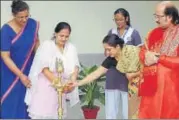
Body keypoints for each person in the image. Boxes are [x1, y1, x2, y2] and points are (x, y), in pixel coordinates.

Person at [69, 34, 141, 119]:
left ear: (117, 46)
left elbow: (146, 68)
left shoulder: (132, 53)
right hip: (117, 86)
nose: (106, 52)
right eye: (105, 49)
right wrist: (78, 83)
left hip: (134, 88)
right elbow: (96, 74)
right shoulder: (110, 59)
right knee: (113, 114)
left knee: (129, 114)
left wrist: (133, 74)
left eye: (109, 49)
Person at [24, 22, 80, 119]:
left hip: (60, 86)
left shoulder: (71, 48)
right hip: (46, 85)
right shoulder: (47, 46)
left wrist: (72, 82)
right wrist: (59, 84)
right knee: (44, 114)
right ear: (55, 34)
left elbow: (75, 67)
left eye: (66, 36)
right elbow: (44, 69)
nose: (64, 39)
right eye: (61, 36)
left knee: (58, 114)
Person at [139, 1, 179, 118]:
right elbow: (143, 51)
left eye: (159, 16)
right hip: (150, 88)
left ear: (170, 17)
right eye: (155, 16)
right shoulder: (153, 32)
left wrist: (159, 58)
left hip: (171, 91)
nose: (156, 20)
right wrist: (145, 56)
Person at [0, 0, 40, 118]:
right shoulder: (6, 30)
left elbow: (36, 43)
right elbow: (5, 56)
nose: (24, 20)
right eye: (20, 17)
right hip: (10, 72)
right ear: (13, 15)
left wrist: (40, 64)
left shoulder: (32, 24)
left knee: (27, 102)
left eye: (27, 16)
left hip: (29, 69)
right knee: (11, 102)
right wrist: (21, 75)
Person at [106, 8, 142, 119]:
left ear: (126, 18)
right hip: (112, 73)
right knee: (111, 108)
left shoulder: (134, 33)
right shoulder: (111, 32)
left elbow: (140, 55)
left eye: (121, 19)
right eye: (116, 19)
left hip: (128, 76)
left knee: (128, 109)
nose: (118, 22)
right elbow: (107, 51)